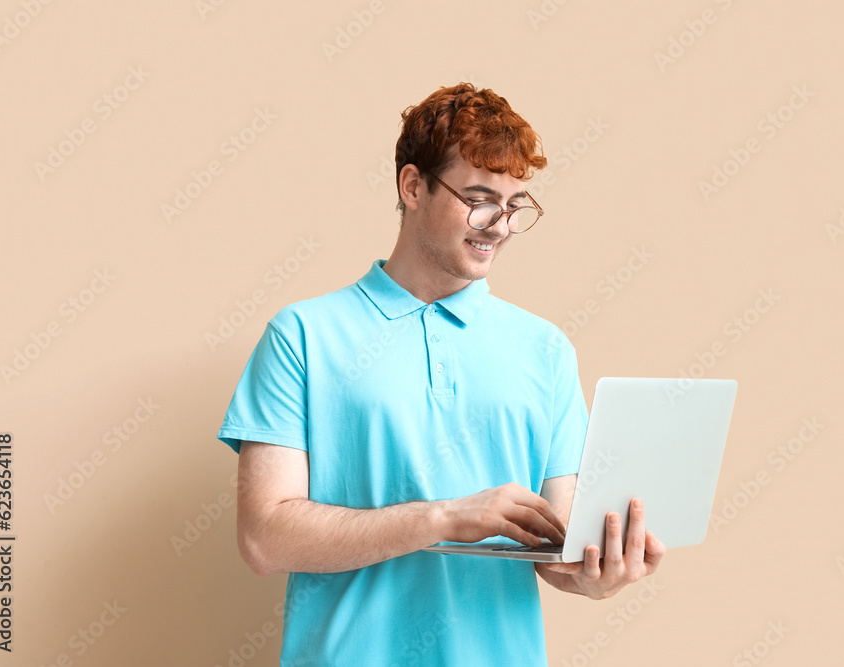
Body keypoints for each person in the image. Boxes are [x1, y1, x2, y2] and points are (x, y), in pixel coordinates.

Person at [217, 82, 665, 667]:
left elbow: (558, 550)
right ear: (412, 186)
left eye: (513, 204)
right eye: (478, 197)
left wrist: (597, 574)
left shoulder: (545, 349)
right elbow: (264, 539)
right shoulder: (302, 335)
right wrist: (445, 518)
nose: (498, 225)